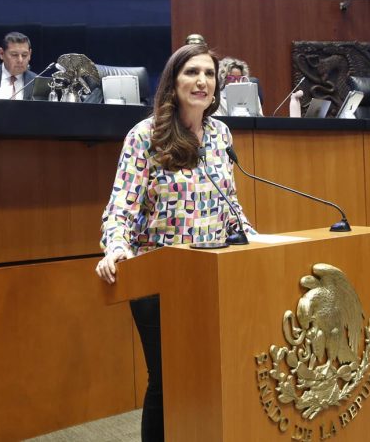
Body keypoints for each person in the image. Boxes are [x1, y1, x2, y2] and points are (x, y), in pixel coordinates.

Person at [95, 43, 255, 442]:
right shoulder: (145, 136)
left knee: (212, 375)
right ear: (173, 81)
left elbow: (230, 204)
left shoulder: (221, 134)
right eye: (191, 73)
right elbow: (121, 208)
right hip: (159, 278)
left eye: (208, 74)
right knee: (167, 381)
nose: (201, 81)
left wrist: (256, 241)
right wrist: (116, 248)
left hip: (215, 273)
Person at [0, 31, 37, 100]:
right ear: (1, 53)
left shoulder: (36, 82)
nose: (20, 60)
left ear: (30, 54)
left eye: (24, 55)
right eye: (14, 55)